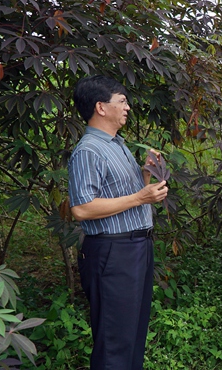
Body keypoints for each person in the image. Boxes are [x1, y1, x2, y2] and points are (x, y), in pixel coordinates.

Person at [68, 75, 168, 369]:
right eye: (121, 101)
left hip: (137, 248)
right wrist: (141, 197)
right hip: (113, 254)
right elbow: (83, 209)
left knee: (133, 332)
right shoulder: (89, 150)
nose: (127, 107)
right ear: (101, 107)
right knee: (114, 340)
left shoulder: (117, 144)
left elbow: (128, 194)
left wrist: (147, 174)